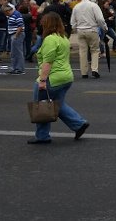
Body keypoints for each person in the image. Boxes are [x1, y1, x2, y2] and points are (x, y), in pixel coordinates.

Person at [28, 12, 89, 145]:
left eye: (43, 23)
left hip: (53, 78)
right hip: (66, 77)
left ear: (48, 24)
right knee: (57, 104)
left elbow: (48, 62)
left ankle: (42, 136)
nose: (41, 25)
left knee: (42, 105)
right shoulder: (63, 37)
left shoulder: (50, 39)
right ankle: (79, 124)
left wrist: (43, 80)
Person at [70, 0, 107, 79]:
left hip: (80, 31)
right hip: (92, 30)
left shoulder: (76, 6)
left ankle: (84, 72)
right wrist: (104, 28)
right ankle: (94, 69)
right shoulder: (93, 6)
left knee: (82, 51)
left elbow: (73, 21)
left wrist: (74, 28)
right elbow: (100, 19)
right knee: (94, 50)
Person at [4, 4, 26, 75]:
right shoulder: (11, 15)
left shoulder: (17, 14)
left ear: (9, 10)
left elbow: (20, 26)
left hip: (17, 34)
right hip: (13, 34)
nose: (6, 14)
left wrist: (16, 36)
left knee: (18, 52)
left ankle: (19, 69)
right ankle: (14, 68)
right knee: (13, 53)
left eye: (6, 12)